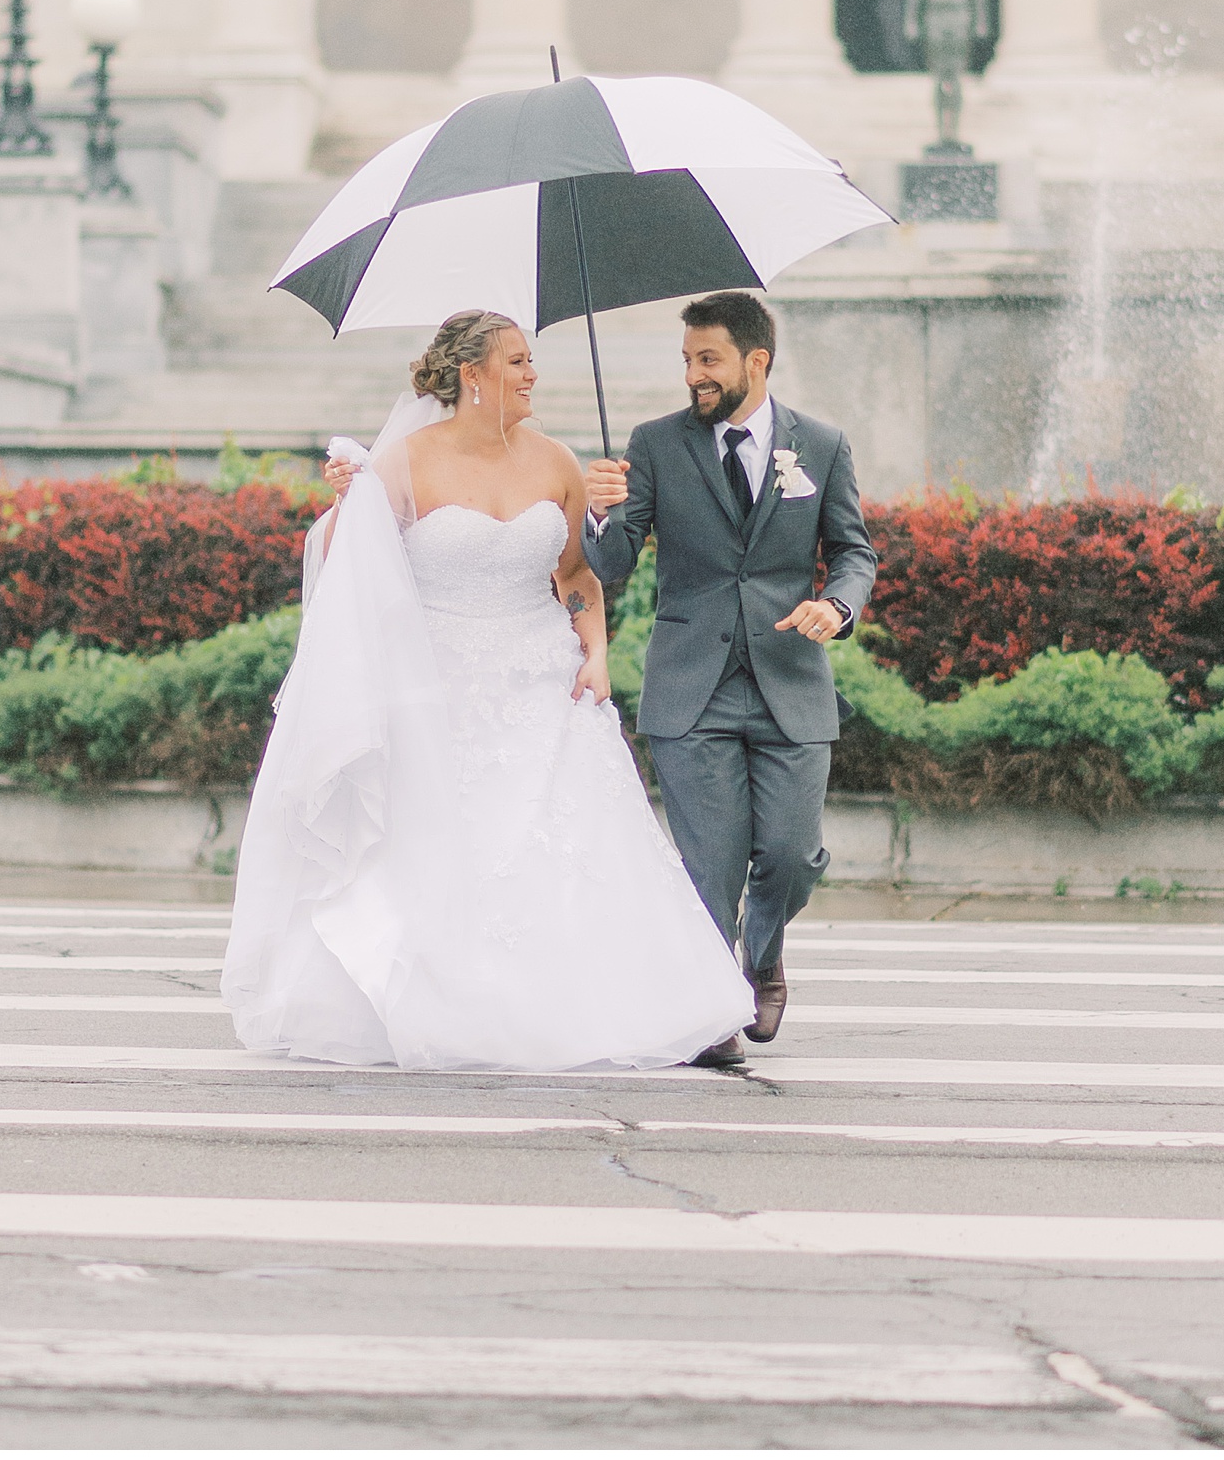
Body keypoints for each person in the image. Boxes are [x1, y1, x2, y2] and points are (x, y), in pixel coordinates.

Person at [221, 308, 754, 1071]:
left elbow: (576, 576)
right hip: (437, 687)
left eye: (530, 361)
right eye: (516, 361)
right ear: (473, 375)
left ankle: (653, 1008)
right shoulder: (404, 462)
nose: (531, 373)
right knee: (448, 848)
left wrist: (596, 653)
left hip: (544, 677)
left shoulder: (558, 463)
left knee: (579, 845)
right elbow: (346, 563)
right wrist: (353, 499)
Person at [581, 291, 877, 1067]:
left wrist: (837, 605)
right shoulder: (653, 444)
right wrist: (598, 514)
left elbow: (854, 551)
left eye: (708, 359)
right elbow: (611, 567)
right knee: (710, 863)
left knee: (791, 853)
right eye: (687, 361)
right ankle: (713, 1010)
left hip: (790, 684)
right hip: (692, 687)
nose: (694, 376)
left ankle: (764, 950)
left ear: (757, 361)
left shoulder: (822, 443)